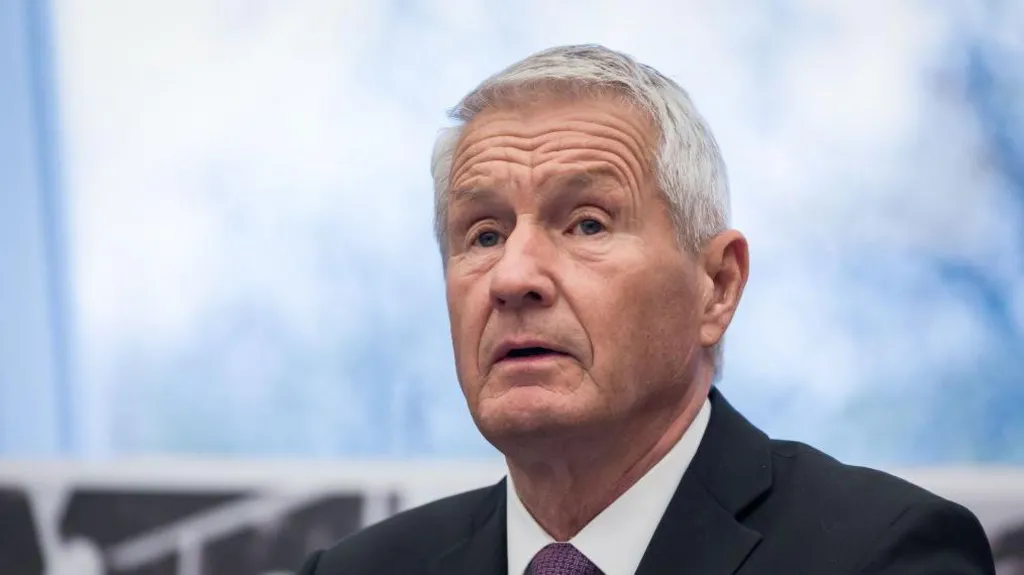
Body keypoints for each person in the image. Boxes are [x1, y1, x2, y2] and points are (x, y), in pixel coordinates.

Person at [296, 44, 996, 575]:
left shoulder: (882, 554)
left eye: (588, 224)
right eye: (483, 234)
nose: (512, 276)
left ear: (716, 286)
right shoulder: (359, 568)